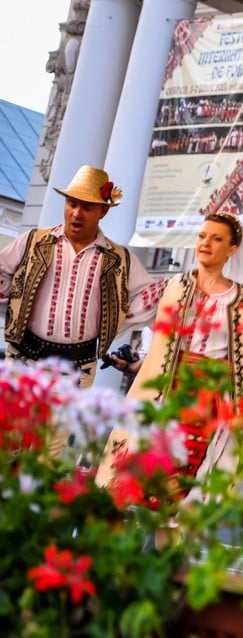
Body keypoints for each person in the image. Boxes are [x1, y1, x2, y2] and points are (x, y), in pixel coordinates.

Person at [95, 213, 243, 504]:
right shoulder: (172, 287)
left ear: (232, 249)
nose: (206, 243)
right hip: (163, 394)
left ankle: (166, 543)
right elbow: (125, 312)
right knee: (127, 486)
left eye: (217, 238)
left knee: (172, 499)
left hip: (205, 407)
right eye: (202, 236)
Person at [0, 166, 165, 456]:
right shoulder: (33, 241)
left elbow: (154, 300)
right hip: (24, 357)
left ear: (103, 211)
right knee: (8, 441)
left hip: (76, 367)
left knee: (48, 453)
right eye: (72, 203)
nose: (76, 213)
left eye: (86, 207)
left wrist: (143, 345)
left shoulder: (120, 259)